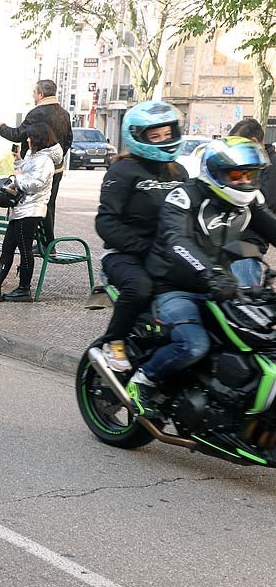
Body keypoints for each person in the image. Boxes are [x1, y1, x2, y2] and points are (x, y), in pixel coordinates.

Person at [128, 137, 274, 416]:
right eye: (236, 174)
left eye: (249, 175)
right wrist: (210, 273)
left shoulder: (249, 202)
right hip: (174, 287)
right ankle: (143, 381)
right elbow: (177, 241)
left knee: (258, 342)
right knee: (193, 344)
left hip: (221, 288)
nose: (244, 181)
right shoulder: (185, 197)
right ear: (216, 172)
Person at [93, 101, 188, 372]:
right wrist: (144, 248)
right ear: (137, 136)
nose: (163, 140)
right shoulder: (122, 171)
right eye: (154, 136)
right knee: (141, 287)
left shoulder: (179, 172)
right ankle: (114, 341)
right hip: (125, 256)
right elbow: (106, 222)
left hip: (169, 255)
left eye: (167, 134)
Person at [0, 123, 61, 302]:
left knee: (24, 249)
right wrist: (18, 160)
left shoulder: (45, 160)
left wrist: (16, 180)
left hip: (31, 210)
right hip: (20, 207)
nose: (27, 140)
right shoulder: (33, 155)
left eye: (30, 137)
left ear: (39, 139)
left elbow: (35, 184)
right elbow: (24, 173)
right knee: (7, 248)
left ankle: (24, 289)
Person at [0, 79, 73, 255]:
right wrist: (56, 159)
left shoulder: (36, 113)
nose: (33, 96)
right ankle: (46, 243)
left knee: (30, 204)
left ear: (41, 94)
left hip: (37, 167)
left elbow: (18, 134)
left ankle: (37, 243)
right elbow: (68, 140)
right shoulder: (64, 114)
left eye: (34, 93)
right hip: (57, 167)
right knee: (49, 204)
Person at [228, 118, 276, 287]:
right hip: (233, 246)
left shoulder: (272, 167)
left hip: (246, 250)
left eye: (238, 144)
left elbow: (259, 205)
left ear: (254, 142)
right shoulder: (252, 165)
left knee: (244, 308)